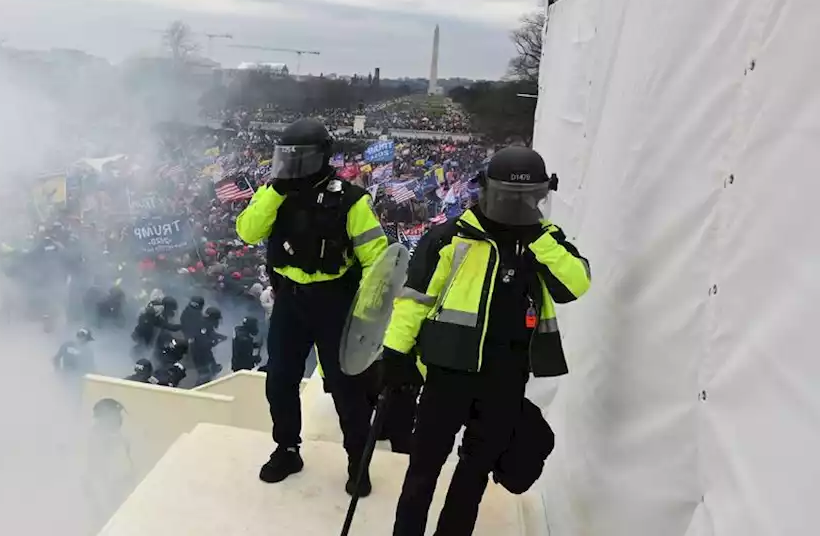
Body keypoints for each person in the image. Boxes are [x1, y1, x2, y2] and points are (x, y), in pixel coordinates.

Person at [382, 146, 590, 536]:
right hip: (447, 374)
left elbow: (575, 284)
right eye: (507, 196)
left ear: (541, 196)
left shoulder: (544, 242)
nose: (516, 205)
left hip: (505, 380)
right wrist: (395, 354)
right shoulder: (449, 237)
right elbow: (413, 300)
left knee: (473, 475)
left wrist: (538, 237)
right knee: (423, 470)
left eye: (526, 198)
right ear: (485, 191)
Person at [235, 118, 391, 497]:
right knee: (280, 380)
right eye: (286, 158)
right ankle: (287, 449)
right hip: (290, 302)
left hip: (335, 304)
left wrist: (366, 312)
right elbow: (247, 231)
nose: (292, 165)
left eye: (300, 158)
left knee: (346, 388)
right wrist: (275, 191)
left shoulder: (352, 200)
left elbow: (377, 258)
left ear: (322, 157)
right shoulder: (274, 193)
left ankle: (358, 460)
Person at [190, 307, 227, 385]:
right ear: (213, 318)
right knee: (204, 375)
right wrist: (214, 342)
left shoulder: (206, 324)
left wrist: (221, 337)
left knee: (213, 369)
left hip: (204, 352)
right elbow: (202, 342)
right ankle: (198, 390)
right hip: (199, 354)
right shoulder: (203, 325)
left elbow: (211, 334)